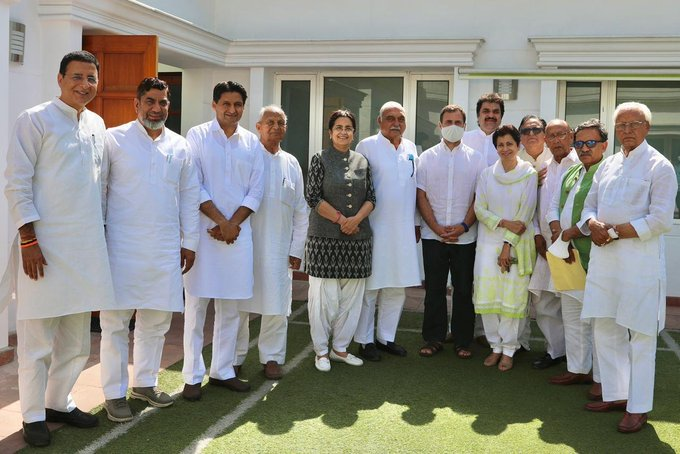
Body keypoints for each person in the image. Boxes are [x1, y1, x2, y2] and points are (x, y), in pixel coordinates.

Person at [3, 51, 116, 447]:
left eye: (91, 78)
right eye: (77, 77)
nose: (84, 84)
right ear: (60, 78)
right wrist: (29, 240)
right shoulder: (34, 119)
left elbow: (100, 189)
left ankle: (58, 402)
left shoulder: (97, 124)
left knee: (77, 339)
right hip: (43, 249)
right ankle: (32, 414)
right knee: (37, 340)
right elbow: (16, 182)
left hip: (85, 248)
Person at [99, 78, 200, 422]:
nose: (157, 108)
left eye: (163, 102)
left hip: (164, 247)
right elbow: (99, 191)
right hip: (121, 246)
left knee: (156, 321)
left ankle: (144, 382)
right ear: (136, 103)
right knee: (115, 323)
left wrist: (190, 242)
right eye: (150, 101)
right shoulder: (113, 139)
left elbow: (189, 196)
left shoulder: (180, 145)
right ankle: (114, 393)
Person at [580, 102, 676, 433]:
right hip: (605, 261)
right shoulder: (607, 165)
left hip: (639, 264)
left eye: (635, 124)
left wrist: (617, 231)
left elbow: (662, 218)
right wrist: (591, 223)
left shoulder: (660, 166)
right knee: (605, 328)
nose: (627, 130)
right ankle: (616, 393)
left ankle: (638, 407)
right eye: (621, 125)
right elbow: (589, 205)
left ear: (648, 128)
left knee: (641, 335)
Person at [182, 81, 264, 401]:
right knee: (197, 306)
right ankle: (191, 375)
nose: (232, 110)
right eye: (226, 104)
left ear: (244, 107)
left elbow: (256, 190)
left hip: (237, 236)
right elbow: (193, 183)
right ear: (214, 105)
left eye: (238, 105)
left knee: (230, 307)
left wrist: (233, 225)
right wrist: (221, 222)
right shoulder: (197, 136)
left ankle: (222, 370)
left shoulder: (252, 143)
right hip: (203, 233)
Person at [234, 106, 309, 379]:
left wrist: (296, 249)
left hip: (279, 250)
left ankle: (272, 358)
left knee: (277, 307)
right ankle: (234, 358)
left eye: (281, 122)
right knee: (239, 306)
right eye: (270, 122)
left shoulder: (291, 163)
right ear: (258, 126)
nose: (275, 127)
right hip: (245, 247)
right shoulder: (247, 158)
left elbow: (301, 210)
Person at [305, 110, 375, 372]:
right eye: (338, 127)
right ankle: (321, 351)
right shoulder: (319, 159)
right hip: (324, 239)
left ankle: (340, 349)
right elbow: (312, 197)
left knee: (352, 299)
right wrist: (341, 220)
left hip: (358, 239)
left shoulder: (362, 161)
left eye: (348, 127)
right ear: (330, 132)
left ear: (354, 132)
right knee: (324, 298)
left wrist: (355, 220)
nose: (343, 132)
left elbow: (371, 198)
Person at [416, 105, 485, 359]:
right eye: (448, 121)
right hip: (433, 237)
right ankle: (433, 338)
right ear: (440, 125)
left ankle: (462, 340)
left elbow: (479, 197)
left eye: (458, 121)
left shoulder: (477, 159)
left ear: (465, 126)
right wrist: (435, 227)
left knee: (464, 290)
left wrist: (464, 226)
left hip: (465, 237)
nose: (453, 126)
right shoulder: (426, 158)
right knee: (434, 288)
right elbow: (420, 195)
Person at [353, 101, 421, 361]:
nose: (396, 123)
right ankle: (365, 340)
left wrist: (416, 223)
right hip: (374, 229)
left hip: (403, 229)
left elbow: (414, 189)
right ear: (379, 122)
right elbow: (358, 189)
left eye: (401, 118)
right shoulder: (366, 146)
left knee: (397, 287)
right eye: (390, 118)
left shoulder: (411, 148)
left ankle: (386, 337)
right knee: (371, 287)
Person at [546, 119, 606, 399]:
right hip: (566, 255)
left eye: (590, 143)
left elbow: (600, 215)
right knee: (571, 314)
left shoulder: (606, 172)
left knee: (596, 319)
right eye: (580, 143)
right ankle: (577, 368)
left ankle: (601, 377)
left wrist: (572, 231)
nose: (584, 148)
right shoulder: (571, 172)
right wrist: (557, 228)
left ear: (604, 145)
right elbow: (553, 206)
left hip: (593, 257)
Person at [473, 124, 538, 372]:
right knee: (489, 297)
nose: (505, 149)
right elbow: (480, 209)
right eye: (500, 144)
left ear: (518, 145)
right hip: (487, 243)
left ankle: (509, 349)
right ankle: (495, 347)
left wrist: (507, 246)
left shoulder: (528, 174)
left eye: (509, 144)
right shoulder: (487, 174)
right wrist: (501, 222)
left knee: (511, 298)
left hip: (516, 245)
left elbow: (525, 214)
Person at [523, 117, 576, 370]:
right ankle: (555, 351)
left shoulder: (581, 165)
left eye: (561, 135)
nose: (556, 140)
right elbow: (533, 208)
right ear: (546, 139)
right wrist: (536, 235)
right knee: (543, 301)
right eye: (551, 136)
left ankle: (577, 358)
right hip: (545, 246)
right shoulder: (542, 168)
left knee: (572, 303)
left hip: (572, 247)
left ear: (571, 137)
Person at [462, 93, 504, 167]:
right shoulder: (463, 139)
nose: (491, 115)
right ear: (478, 115)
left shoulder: (510, 142)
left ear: (501, 116)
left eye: (495, 112)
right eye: (486, 111)